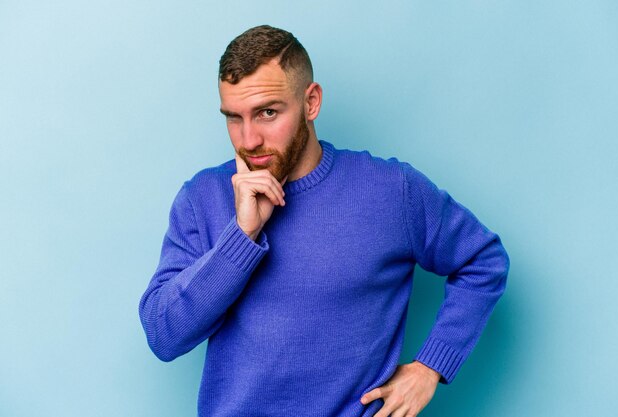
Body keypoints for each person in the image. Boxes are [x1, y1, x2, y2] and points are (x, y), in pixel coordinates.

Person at [138, 25, 510, 417]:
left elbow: (483, 260)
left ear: (311, 102)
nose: (248, 140)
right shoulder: (202, 198)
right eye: (234, 117)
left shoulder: (390, 190)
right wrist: (242, 235)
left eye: (267, 113)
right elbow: (164, 336)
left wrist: (431, 367)